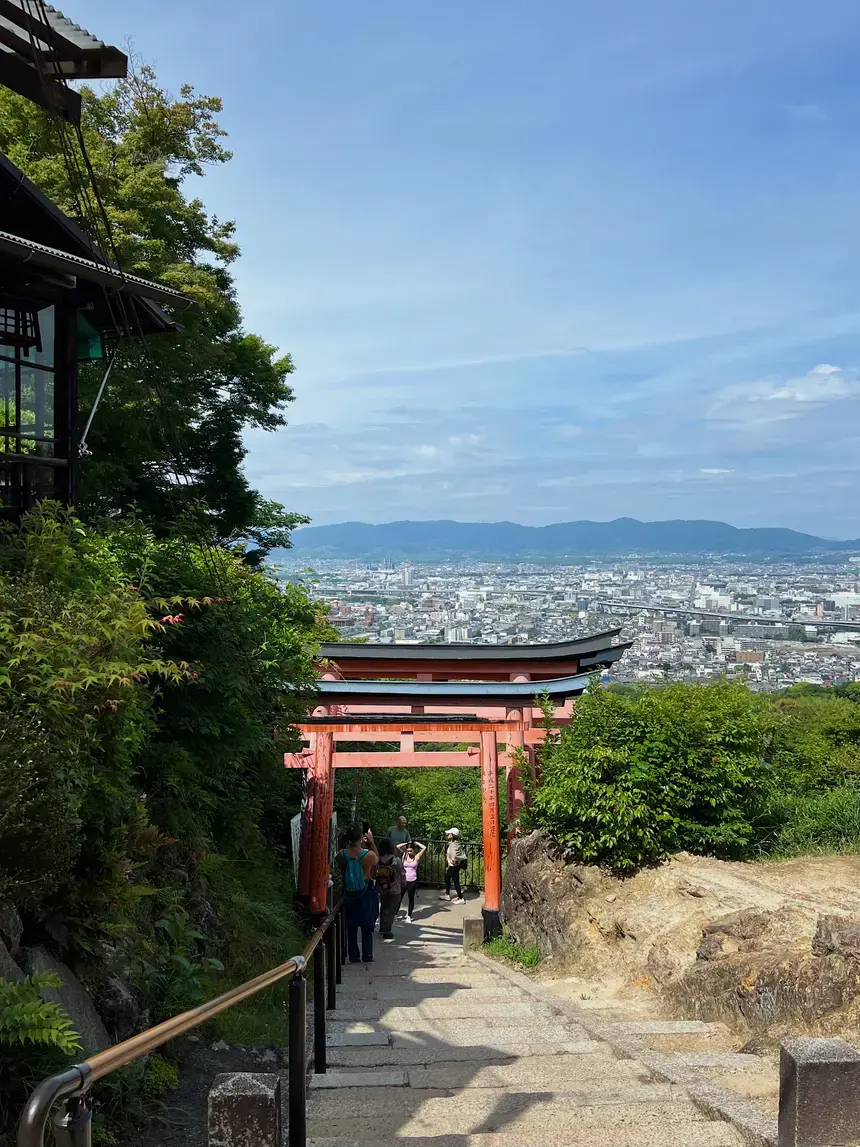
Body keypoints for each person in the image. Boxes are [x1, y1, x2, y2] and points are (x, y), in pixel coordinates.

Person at [340, 825, 379, 964]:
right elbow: (377, 861)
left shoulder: (342, 854)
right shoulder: (368, 855)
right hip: (365, 892)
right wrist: (371, 842)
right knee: (367, 926)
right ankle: (367, 955)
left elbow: (341, 868)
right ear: (361, 838)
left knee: (351, 926)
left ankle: (353, 956)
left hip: (349, 894)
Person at [375, 838, 405, 942]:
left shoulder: (378, 859)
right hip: (394, 888)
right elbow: (402, 873)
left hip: (382, 888)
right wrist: (403, 882)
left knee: (384, 907)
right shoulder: (396, 860)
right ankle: (387, 931)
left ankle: (382, 926)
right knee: (392, 910)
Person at [401, 840, 426, 923]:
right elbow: (398, 846)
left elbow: (424, 848)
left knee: (411, 898)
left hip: (412, 880)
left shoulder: (417, 856)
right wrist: (407, 843)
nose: (409, 852)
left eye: (411, 851)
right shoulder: (404, 855)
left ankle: (409, 916)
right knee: (399, 897)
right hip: (404, 880)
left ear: (413, 850)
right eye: (408, 851)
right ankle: (395, 914)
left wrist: (416, 843)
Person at [441, 828, 466, 904]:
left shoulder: (454, 844)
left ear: (453, 835)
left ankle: (460, 898)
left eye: (449, 833)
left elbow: (455, 853)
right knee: (448, 878)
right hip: (454, 865)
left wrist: (453, 859)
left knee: (455, 881)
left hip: (454, 865)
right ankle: (447, 895)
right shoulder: (454, 842)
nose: (448, 835)